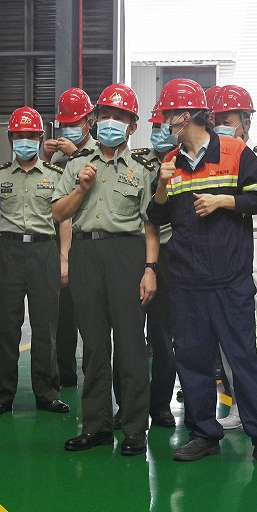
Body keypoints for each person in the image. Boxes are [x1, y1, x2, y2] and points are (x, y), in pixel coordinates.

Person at [147, 78, 257, 468]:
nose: (163, 125)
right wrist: (162, 185)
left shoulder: (236, 152)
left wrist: (222, 201)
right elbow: (156, 216)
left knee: (244, 359)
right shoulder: (171, 162)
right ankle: (203, 434)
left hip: (231, 278)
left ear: (186, 116)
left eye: (167, 117)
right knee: (193, 361)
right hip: (187, 280)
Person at [52, 83, 159, 457]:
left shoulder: (142, 170)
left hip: (126, 254)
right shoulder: (77, 164)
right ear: (95, 120)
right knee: (94, 346)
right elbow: (59, 213)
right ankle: (95, 426)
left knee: (130, 345)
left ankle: (134, 428)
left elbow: (150, 225)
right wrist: (81, 188)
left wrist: (150, 269)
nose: (111, 122)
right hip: (85, 253)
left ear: (132, 126)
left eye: (120, 117)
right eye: (106, 115)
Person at [0, 106, 69, 417]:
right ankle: (3, 395)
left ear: (40, 138)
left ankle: (47, 393)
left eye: (31, 136)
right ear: (10, 138)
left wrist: (64, 257)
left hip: (44, 251)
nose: (25, 141)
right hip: (8, 251)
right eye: (19, 135)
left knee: (46, 326)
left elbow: (65, 219)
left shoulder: (55, 176)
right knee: (6, 327)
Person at [210, 84, 257, 430]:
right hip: (223, 244)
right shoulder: (210, 158)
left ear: (246, 120)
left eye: (228, 120)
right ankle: (241, 406)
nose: (222, 126)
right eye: (216, 120)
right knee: (228, 329)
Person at [45, 87, 98, 389]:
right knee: (62, 312)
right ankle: (65, 374)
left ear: (89, 121)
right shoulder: (56, 157)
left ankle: (94, 376)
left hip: (88, 238)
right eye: (64, 124)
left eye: (74, 123)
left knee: (91, 315)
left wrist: (74, 155)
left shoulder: (98, 151)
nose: (68, 129)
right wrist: (46, 156)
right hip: (57, 238)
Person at [144, 96, 180, 428]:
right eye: (154, 127)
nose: (158, 132)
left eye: (163, 126)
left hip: (169, 255)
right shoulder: (136, 162)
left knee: (163, 336)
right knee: (128, 337)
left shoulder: (185, 162)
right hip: (133, 252)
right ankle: (128, 405)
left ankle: (161, 405)